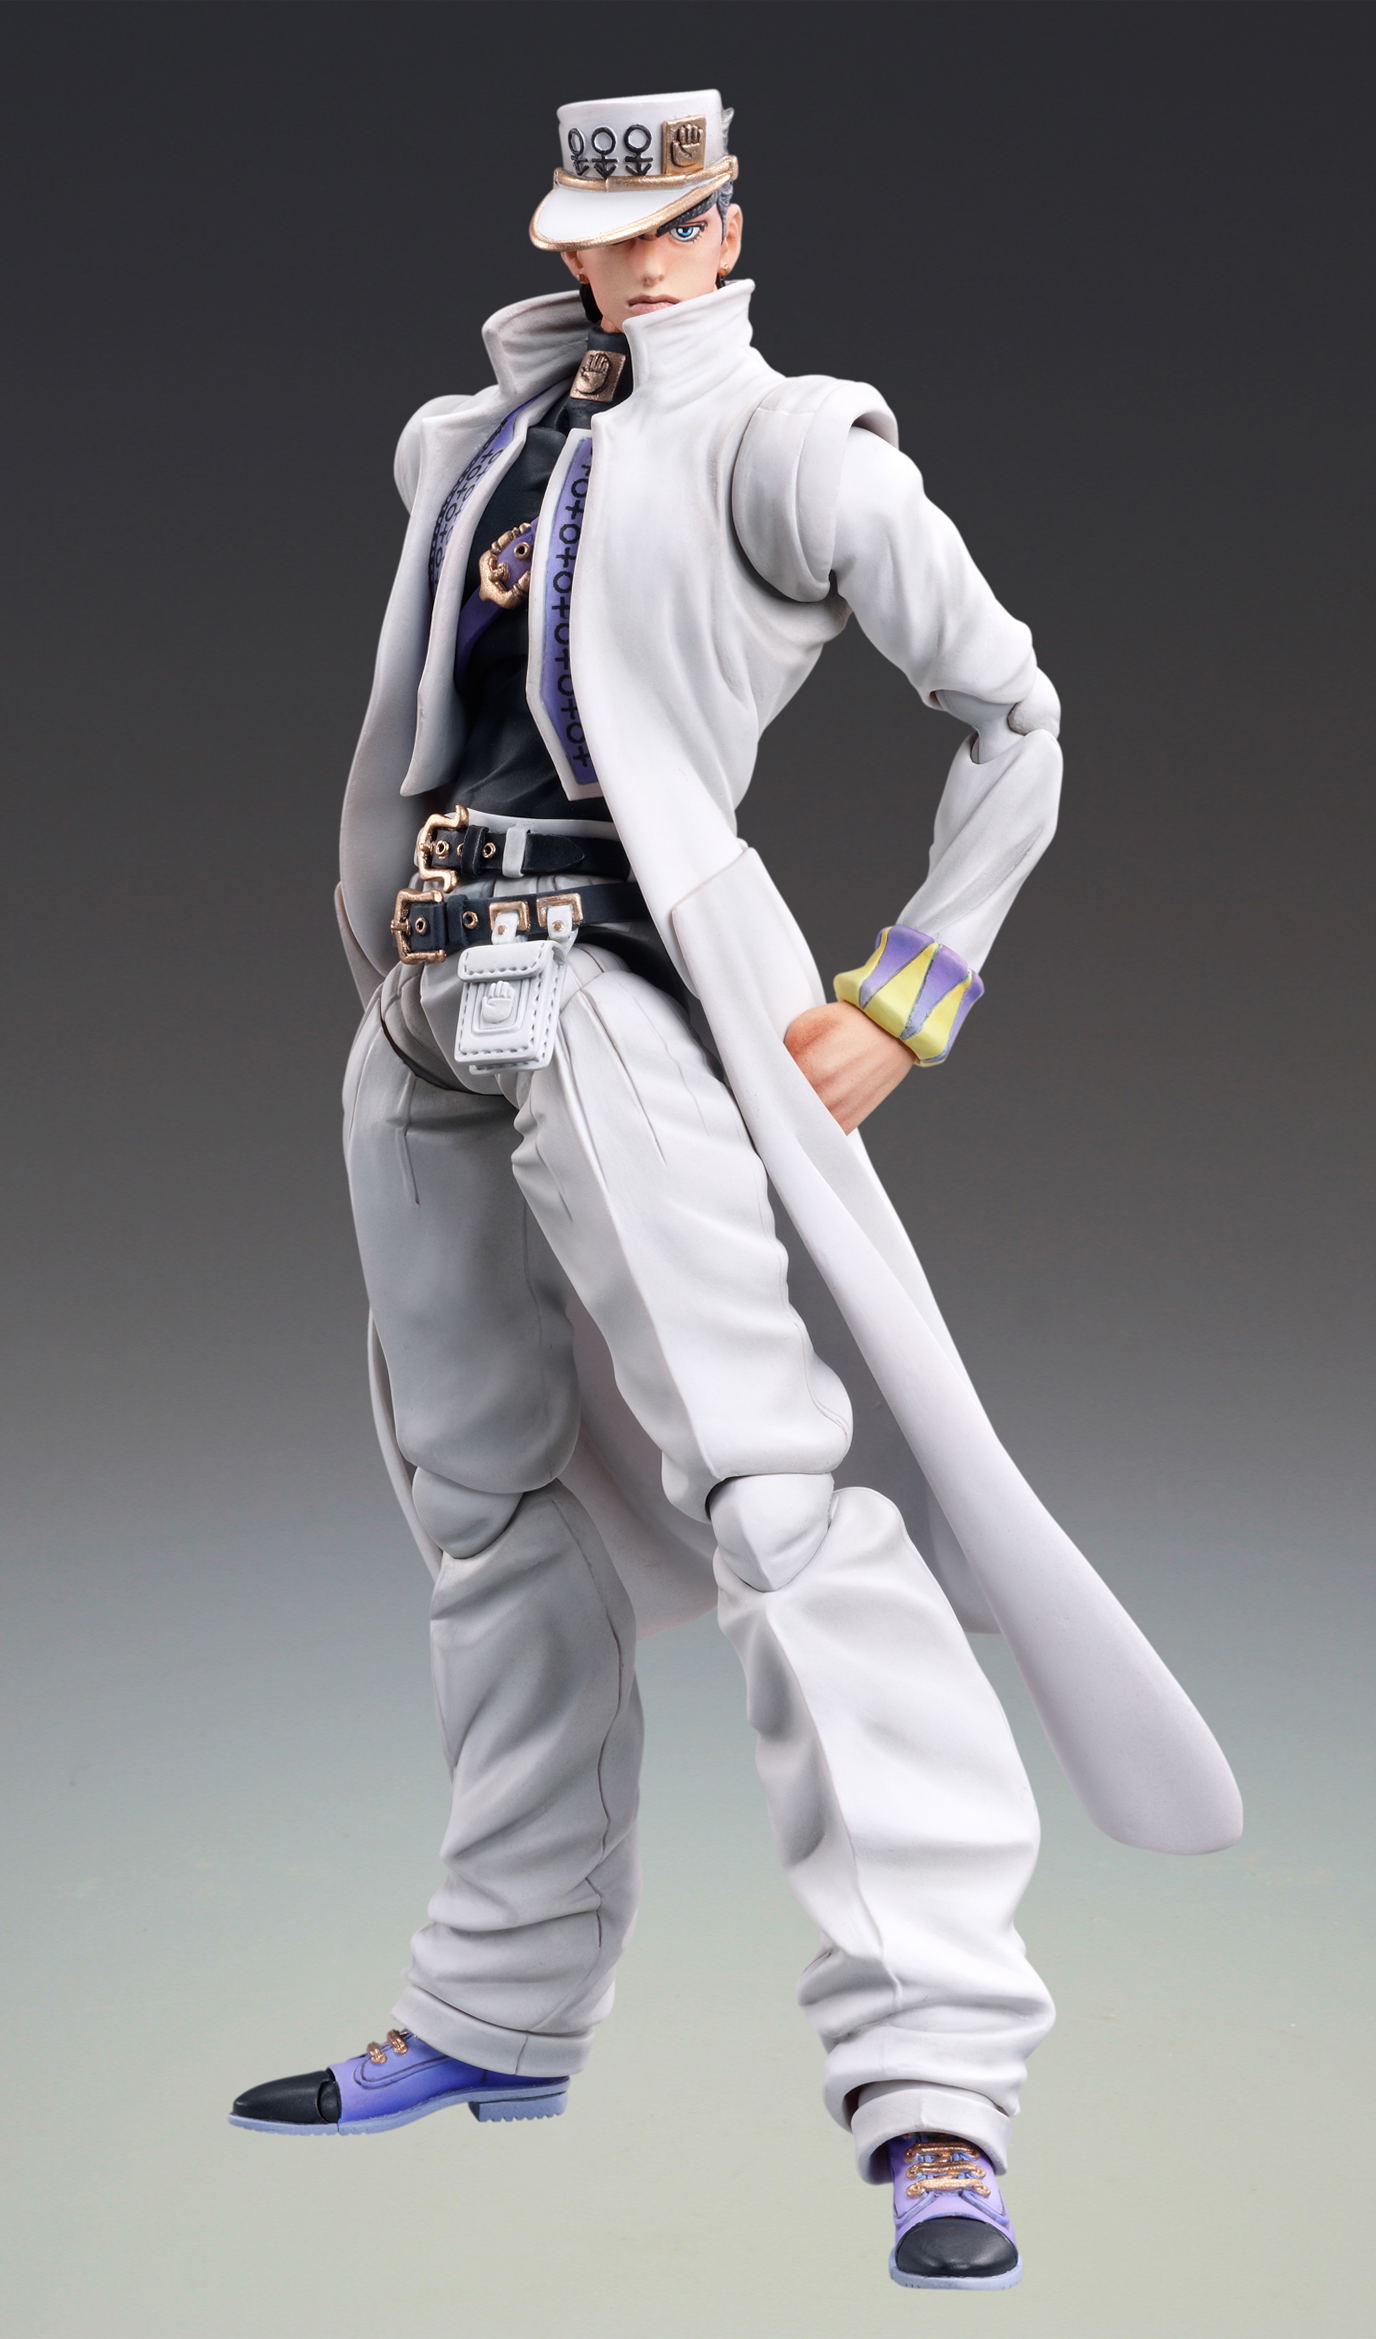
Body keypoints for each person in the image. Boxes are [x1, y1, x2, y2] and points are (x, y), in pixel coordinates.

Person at [230, 90, 1240, 2292]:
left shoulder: (792, 448)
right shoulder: (470, 444)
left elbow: (1014, 712)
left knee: (779, 1501)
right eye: (599, 232)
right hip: (425, 996)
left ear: (723, 223)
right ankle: (499, 2005)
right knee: (483, 1512)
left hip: (611, 985)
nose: (631, 261)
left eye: (667, 227)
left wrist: (912, 989)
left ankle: (938, 2083)